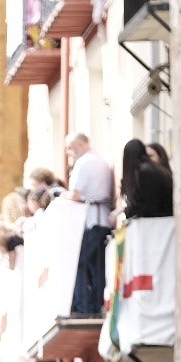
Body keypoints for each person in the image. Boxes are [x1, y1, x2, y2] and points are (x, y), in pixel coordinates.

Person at [65, 133, 115, 316]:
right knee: (98, 266)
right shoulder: (100, 160)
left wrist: (62, 197)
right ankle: (96, 305)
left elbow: (75, 195)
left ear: (81, 143)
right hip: (102, 219)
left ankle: (85, 307)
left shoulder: (84, 163)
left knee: (81, 264)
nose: (69, 152)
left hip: (91, 221)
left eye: (71, 147)